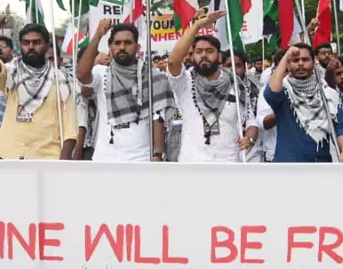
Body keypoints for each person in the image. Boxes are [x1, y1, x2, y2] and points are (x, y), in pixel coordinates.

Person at [75, 20, 174, 162]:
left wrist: (157, 154)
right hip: (105, 158)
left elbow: (158, 118)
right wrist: (98, 35)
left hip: (141, 158)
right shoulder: (101, 73)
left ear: (137, 47)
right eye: (117, 43)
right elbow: (81, 75)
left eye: (128, 43)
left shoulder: (155, 78)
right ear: (110, 46)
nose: (122, 47)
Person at [167, 11, 259, 162]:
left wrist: (249, 138)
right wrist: (198, 25)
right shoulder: (185, 81)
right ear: (192, 56)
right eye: (198, 51)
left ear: (219, 56)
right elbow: (172, 62)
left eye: (209, 51)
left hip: (228, 163)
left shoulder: (236, 83)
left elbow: (250, 120)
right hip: (192, 163)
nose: (204, 55)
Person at [0, 16, 77, 160]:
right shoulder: (12, 73)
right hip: (9, 156)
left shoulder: (62, 81)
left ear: (46, 45)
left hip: (47, 159)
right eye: (26, 43)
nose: (31, 47)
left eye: (36, 42)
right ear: (20, 45)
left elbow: (70, 128)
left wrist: (62, 165)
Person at [265, 43, 343, 163]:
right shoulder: (284, 92)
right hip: (287, 167)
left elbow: (339, 126)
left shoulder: (327, 93)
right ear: (288, 65)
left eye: (305, 59)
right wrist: (286, 57)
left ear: (313, 62)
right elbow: (271, 93)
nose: (300, 63)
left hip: (320, 165)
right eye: (295, 60)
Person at [224, 49, 264, 162]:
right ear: (221, 67)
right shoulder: (214, 91)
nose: (233, 69)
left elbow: (252, 120)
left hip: (252, 148)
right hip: (225, 151)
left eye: (237, 65)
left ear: (245, 68)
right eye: (228, 65)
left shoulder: (258, 89)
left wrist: (249, 139)